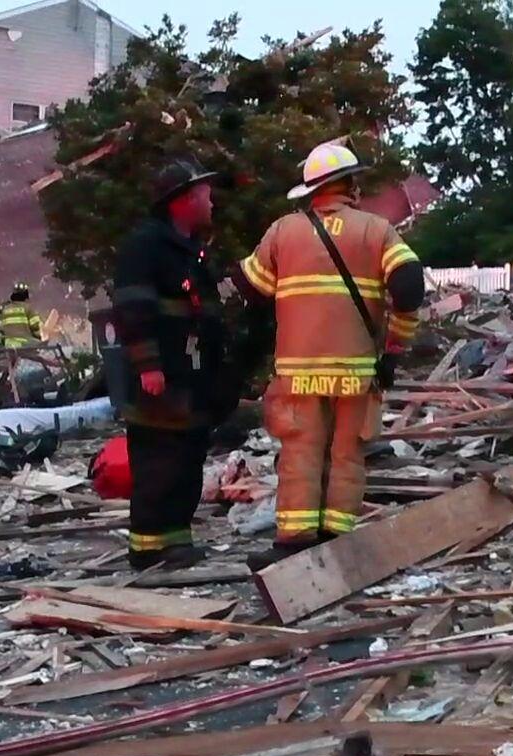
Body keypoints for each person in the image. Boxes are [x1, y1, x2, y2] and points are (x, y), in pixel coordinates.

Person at [236, 141, 423, 570]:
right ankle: (336, 536)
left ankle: (294, 542)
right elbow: (410, 286)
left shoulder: (283, 231)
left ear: (311, 189)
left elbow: (251, 288)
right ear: (349, 185)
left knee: (301, 451)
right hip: (355, 372)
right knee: (346, 453)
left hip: (298, 373)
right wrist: (394, 348)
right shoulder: (376, 230)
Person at [112, 156, 226, 570]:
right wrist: (148, 366)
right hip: (161, 376)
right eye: (204, 193)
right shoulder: (146, 246)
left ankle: (176, 540)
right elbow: (132, 309)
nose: (211, 201)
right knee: (159, 458)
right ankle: (148, 547)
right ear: (183, 199)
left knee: (187, 455)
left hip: (190, 374)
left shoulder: (190, 251)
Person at [0, 284, 43, 348]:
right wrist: (40, 336)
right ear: (26, 295)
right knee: (39, 344)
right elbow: (35, 326)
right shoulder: (28, 308)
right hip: (24, 341)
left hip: (8, 342)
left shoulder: (5, 309)